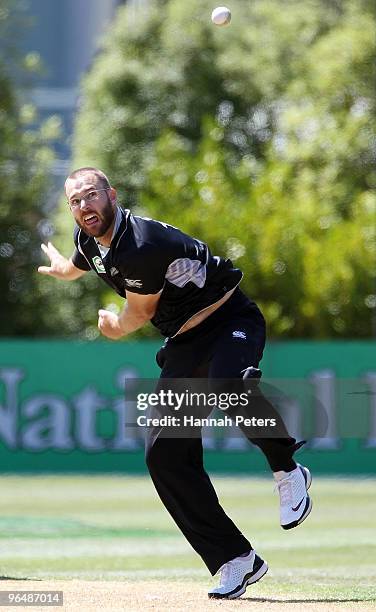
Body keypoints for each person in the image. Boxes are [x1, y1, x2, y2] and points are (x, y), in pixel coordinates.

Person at [38, 166, 312, 599]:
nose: (84, 206)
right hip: (185, 342)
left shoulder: (141, 245)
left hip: (228, 319)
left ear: (112, 194)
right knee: (164, 453)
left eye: (91, 195)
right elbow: (83, 261)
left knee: (229, 385)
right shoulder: (88, 238)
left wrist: (113, 328)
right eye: (75, 201)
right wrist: (64, 270)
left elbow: (139, 314)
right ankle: (234, 560)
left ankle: (287, 468)